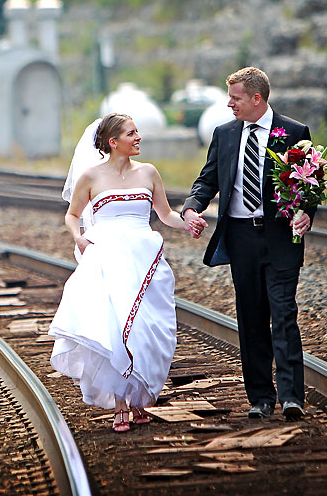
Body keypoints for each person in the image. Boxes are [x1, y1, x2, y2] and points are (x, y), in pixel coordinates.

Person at [48, 113, 203, 432]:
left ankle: (140, 395)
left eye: (137, 131)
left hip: (145, 257)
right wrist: (79, 237)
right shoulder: (90, 177)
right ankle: (120, 403)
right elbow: (72, 214)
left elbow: (165, 214)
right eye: (131, 133)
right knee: (117, 328)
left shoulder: (149, 173)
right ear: (112, 142)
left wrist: (186, 222)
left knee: (147, 329)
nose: (138, 137)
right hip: (107, 257)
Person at [181, 66, 313, 421]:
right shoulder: (224, 134)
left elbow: (309, 185)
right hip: (241, 238)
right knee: (251, 317)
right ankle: (260, 397)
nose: (229, 104)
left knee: (284, 315)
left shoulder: (294, 133)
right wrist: (192, 207)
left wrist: (307, 213)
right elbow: (207, 180)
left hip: (281, 238)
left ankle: (291, 397)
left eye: (235, 98)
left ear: (257, 99)